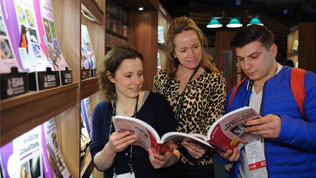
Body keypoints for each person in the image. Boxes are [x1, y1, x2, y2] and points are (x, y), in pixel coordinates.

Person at [217, 24, 316, 178]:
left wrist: (284, 128)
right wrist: (224, 153)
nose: (246, 66)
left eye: (254, 57)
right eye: (241, 59)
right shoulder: (235, 94)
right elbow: (228, 144)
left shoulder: (305, 81)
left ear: (273, 50)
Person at [90, 45, 179, 178]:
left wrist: (167, 159)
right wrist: (110, 148)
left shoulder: (157, 103)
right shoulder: (102, 110)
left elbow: (175, 150)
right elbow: (99, 164)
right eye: (128, 76)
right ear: (111, 77)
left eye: (140, 74)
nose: (137, 81)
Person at [153, 16, 226, 178]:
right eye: (184, 50)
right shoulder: (161, 79)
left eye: (195, 47)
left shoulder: (213, 80)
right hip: (166, 161)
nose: (192, 54)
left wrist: (202, 144)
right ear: (173, 53)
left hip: (199, 165)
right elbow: (155, 119)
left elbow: (214, 124)